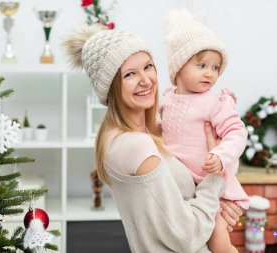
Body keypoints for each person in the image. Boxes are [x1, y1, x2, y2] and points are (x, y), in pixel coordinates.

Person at [64, 24, 243, 253]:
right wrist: (215, 180)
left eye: (148, 67)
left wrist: (217, 205)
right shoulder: (136, 145)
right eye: (130, 74)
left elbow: (186, 209)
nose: (146, 80)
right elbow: (186, 236)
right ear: (110, 87)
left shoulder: (142, 134)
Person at [161, 9, 249, 253]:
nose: (210, 73)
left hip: (211, 185)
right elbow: (162, 132)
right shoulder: (166, 100)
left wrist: (221, 156)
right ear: (179, 67)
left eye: (215, 67)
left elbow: (236, 132)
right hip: (183, 189)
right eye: (202, 65)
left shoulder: (215, 101)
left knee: (219, 244)